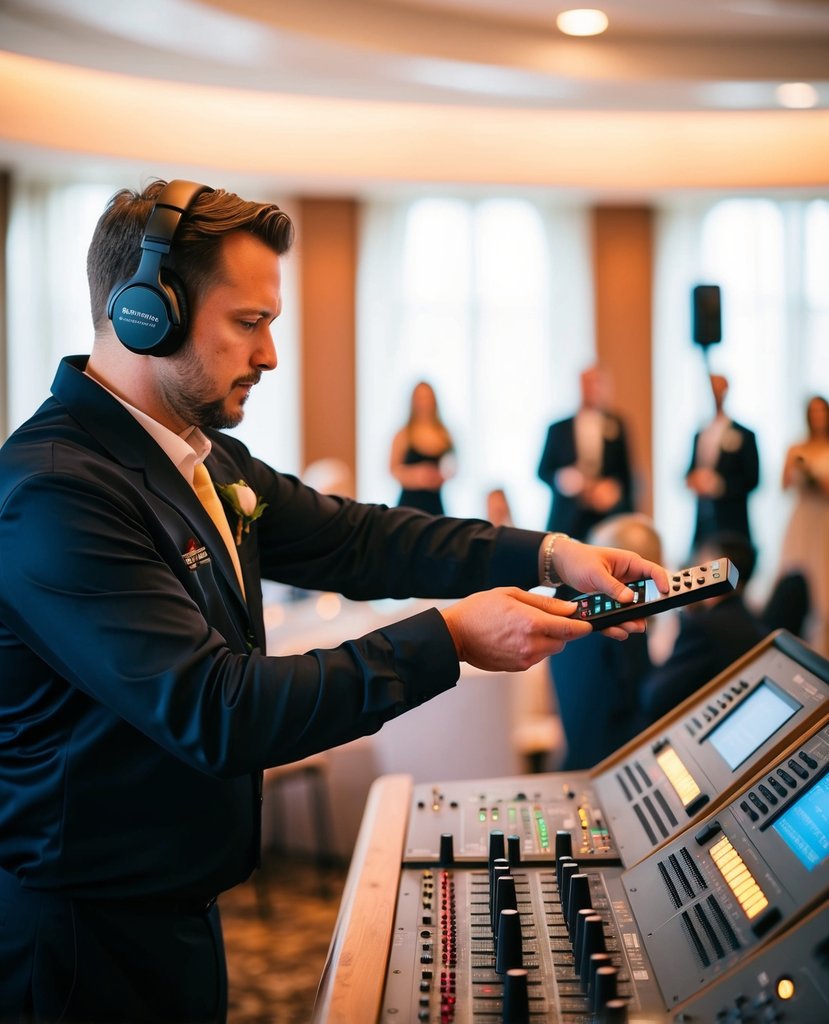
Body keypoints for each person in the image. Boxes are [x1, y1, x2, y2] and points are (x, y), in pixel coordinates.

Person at [0, 178, 668, 1024]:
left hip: (171, 910)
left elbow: (359, 538)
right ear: (147, 314)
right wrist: (449, 638)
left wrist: (546, 552)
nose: (271, 354)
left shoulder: (206, 458)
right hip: (76, 942)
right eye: (250, 323)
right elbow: (219, 708)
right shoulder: (57, 492)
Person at [549, 512, 658, 769]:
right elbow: (645, 698)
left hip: (577, 759)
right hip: (616, 765)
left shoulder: (569, 607)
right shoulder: (623, 624)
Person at [638, 532, 764, 724]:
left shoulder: (703, 627)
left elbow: (654, 697)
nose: (693, 568)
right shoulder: (752, 621)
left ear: (713, 571)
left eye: (700, 563)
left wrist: (663, 648)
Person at [537, 364, 635, 540]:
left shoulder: (618, 425)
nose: (593, 389)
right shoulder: (558, 428)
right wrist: (565, 479)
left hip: (606, 517)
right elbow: (542, 471)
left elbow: (627, 475)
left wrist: (613, 491)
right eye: (588, 383)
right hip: (568, 517)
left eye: (598, 383)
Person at [775, 394, 829, 655]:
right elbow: (783, 486)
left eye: (822, 411)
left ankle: (821, 645)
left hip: (823, 520)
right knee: (793, 574)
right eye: (814, 411)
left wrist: (816, 478)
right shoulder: (796, 448)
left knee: (822, 579)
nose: (818, 416)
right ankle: (792, 639)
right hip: (801, 518)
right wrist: (795, 469)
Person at [685, 373, 759, 551]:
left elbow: (753, 479)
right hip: (703, 518)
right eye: (711, 389)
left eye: (719, 389)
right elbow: (689, 470)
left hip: (733, 522)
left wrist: (720, 485)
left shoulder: (745, 434)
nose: (715, 394)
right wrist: (694, 479)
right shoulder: (700, 433)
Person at [389, 379, 455, 515]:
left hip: (435, 503)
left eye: (427, 398)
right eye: (420, 398)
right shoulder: (403, 434)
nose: (424, 402)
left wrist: (442, 475)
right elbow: (393, 470)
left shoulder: (444, 434)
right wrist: (418, 476)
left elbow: (453, 466)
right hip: (409, 504)